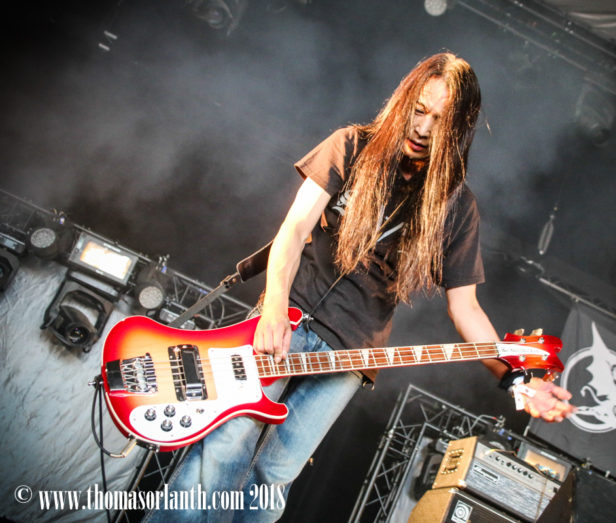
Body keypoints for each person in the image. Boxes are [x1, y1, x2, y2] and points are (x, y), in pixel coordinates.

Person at [147, 52, 573, 523]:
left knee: (275, 475)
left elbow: (466, 309)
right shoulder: (351, 145)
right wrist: (272, 310)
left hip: (351, 353)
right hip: (288, 317)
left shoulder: (456, 207)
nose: (423, 128)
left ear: (458, 130)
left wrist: (516, 379)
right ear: (404, 101)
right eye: (419, 110)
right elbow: (293, 229)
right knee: (225, 446)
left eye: (439, 120)